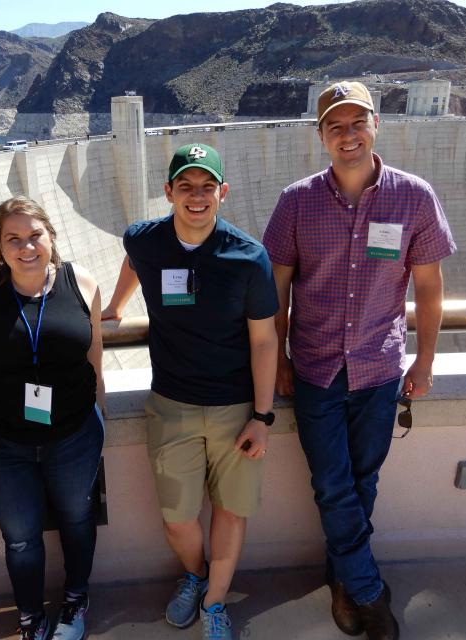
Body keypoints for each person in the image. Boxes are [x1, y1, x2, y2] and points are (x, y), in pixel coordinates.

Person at [262, 81, 457, 640]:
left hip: (379, 367)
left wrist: (424, 362)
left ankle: (343, 578)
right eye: (335, 126)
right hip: (316, 368)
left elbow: (429, 286)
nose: (347, 136)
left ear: (377, 125)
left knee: (363, 480)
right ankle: (369, 590)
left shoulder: (414, 196)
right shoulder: (296, 201)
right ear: (320, 134)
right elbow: (277, 287)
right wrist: (279, 360)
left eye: (357, 123)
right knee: (332, 484)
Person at [102, 143, 279, 640]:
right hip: (172, 406)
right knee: (178, 517)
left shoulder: (248, 257)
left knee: (230, 509)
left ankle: (215, 602)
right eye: (186, 186)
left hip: (236, 408)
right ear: (169, 192)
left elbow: (265, 340)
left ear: (223, 192)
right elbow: (134, 260)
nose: (196, 196)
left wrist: (262, 418)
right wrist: (117, 305)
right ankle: (196, 575)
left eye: (207, 187)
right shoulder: (145, 239)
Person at [0, 196, 105, 640]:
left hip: (75, 432)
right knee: (20, 537)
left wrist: (102, 404)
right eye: (12, 239)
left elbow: (93, 350)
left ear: (51, 237)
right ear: (0, 247)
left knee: (78, 520)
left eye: (34, 235)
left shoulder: (83, 284)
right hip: (4, 440)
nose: (26, 247)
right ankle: (30, 617)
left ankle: (76, 601)